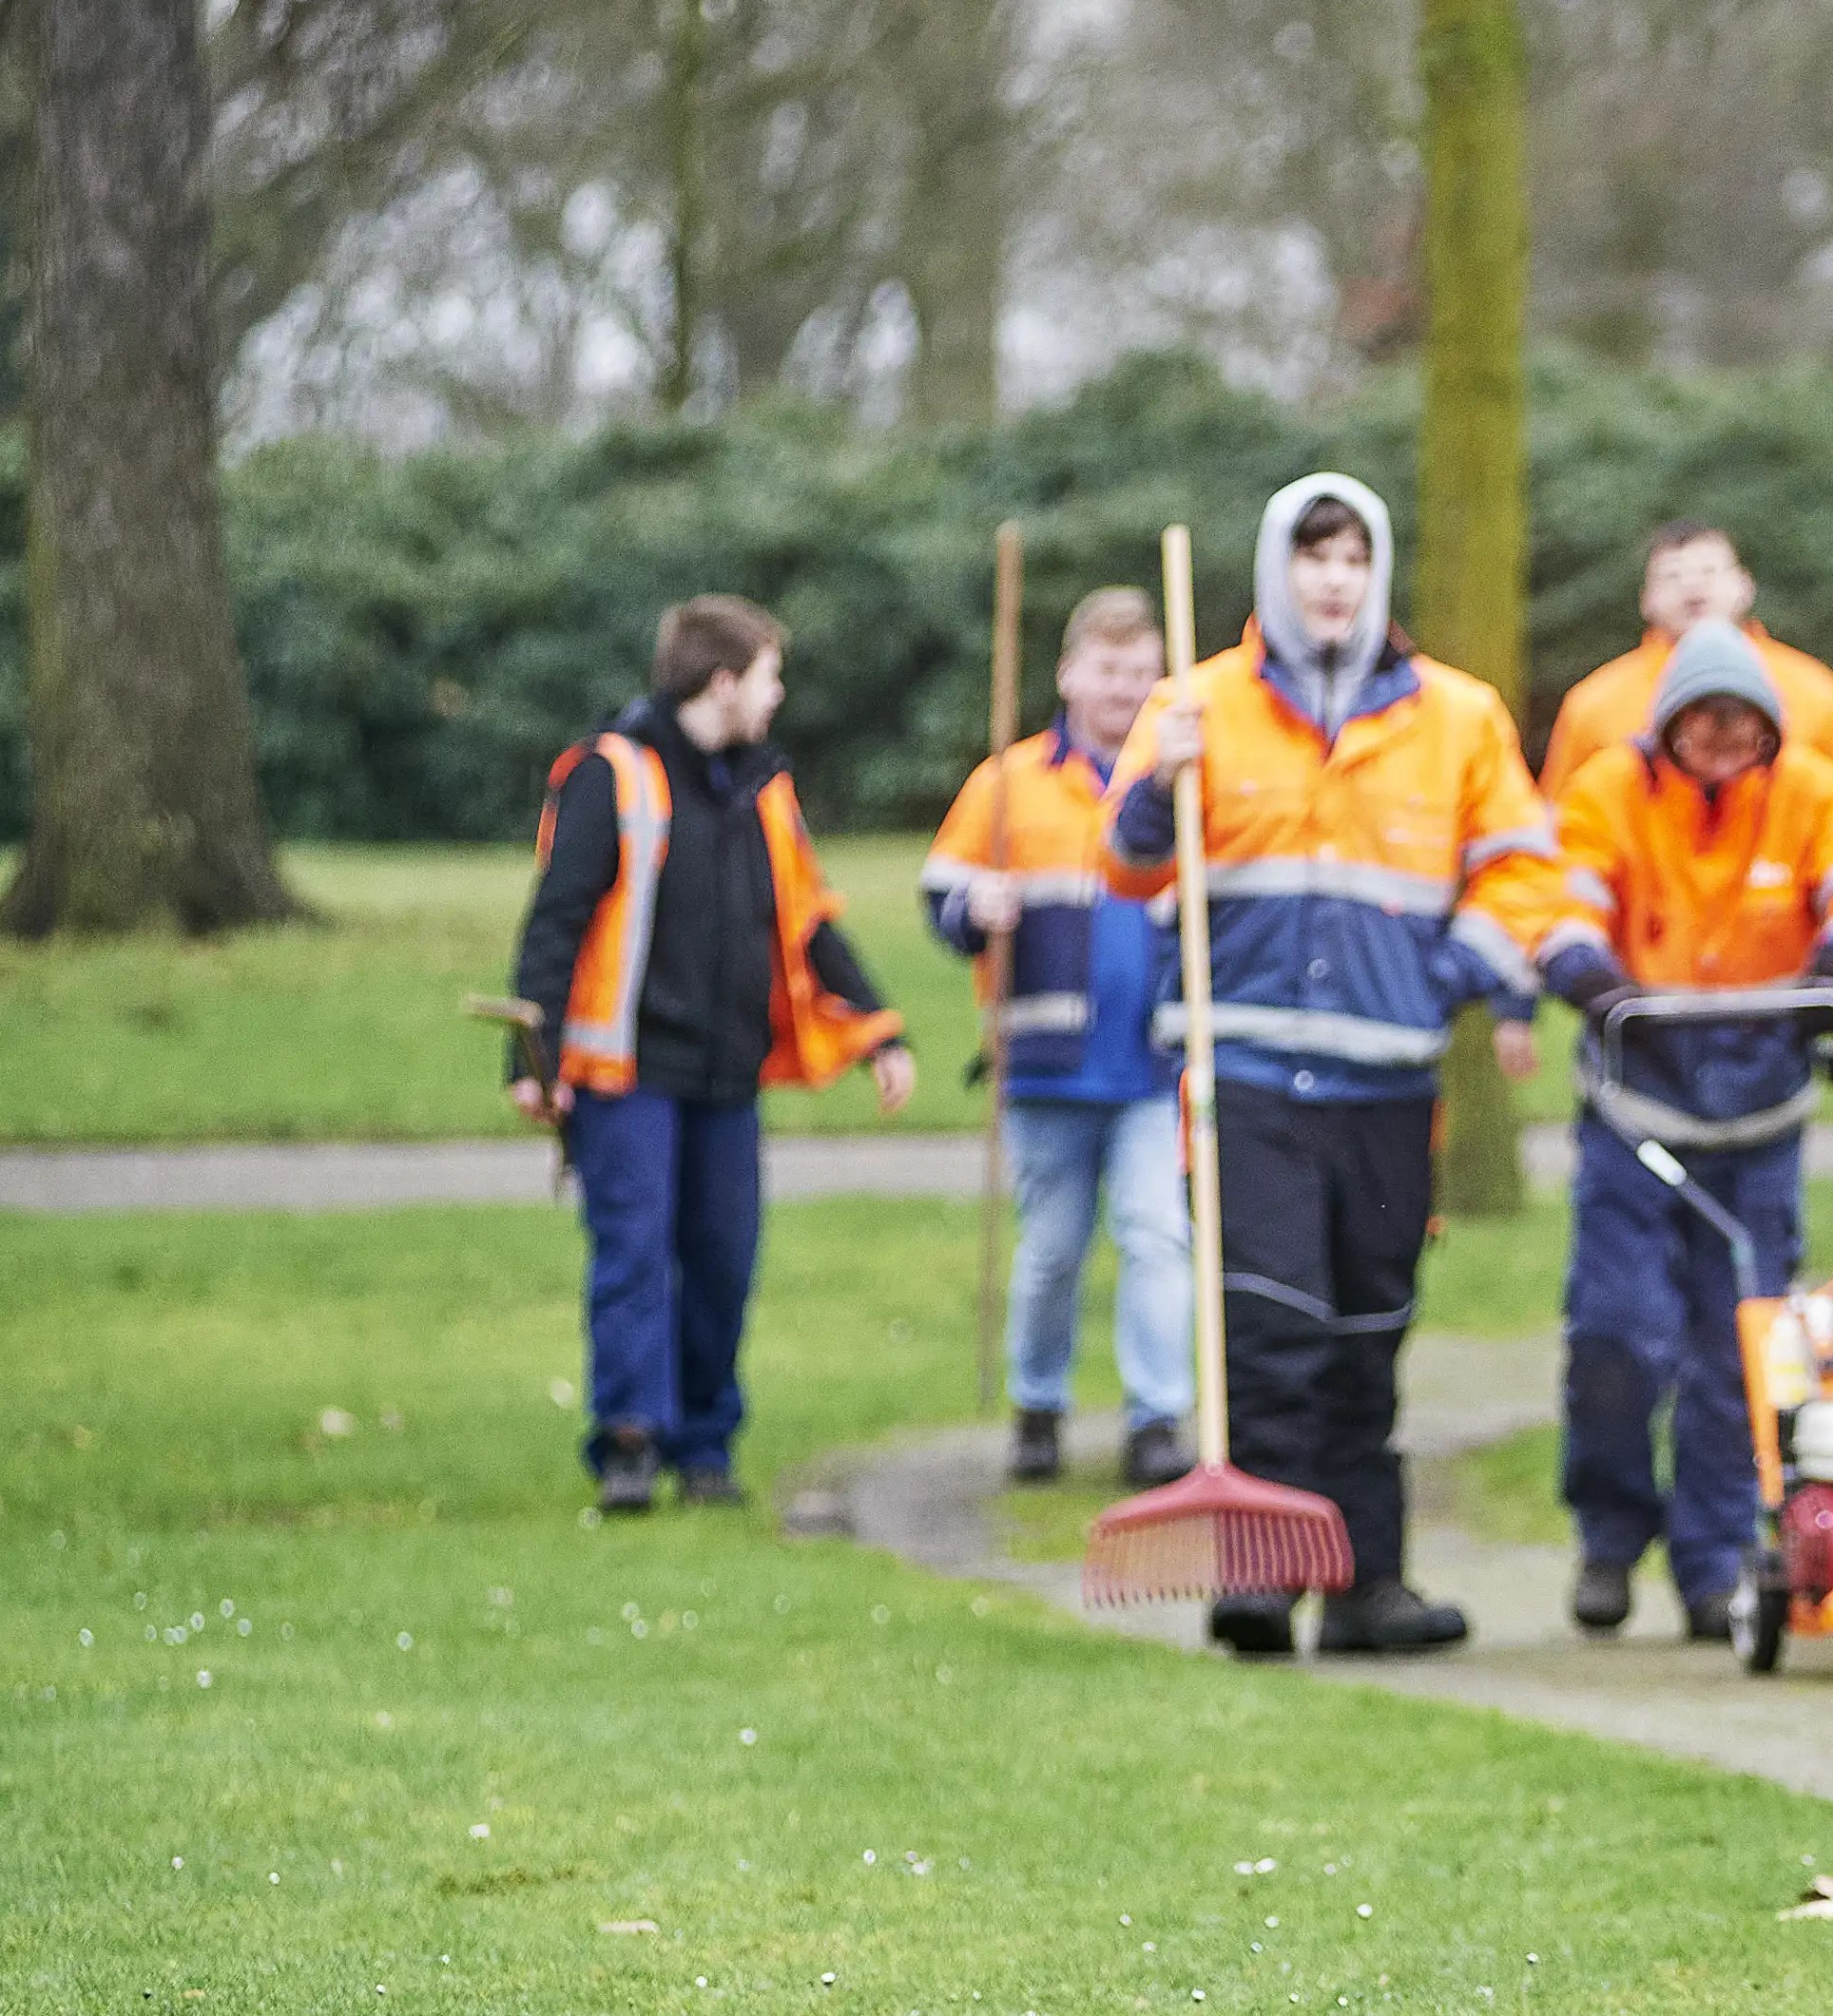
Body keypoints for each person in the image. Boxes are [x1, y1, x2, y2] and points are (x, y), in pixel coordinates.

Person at [1102, 474, 1562, 1660]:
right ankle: (1258, 1578)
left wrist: (1450, 973)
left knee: (1368, 1327)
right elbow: (1127, 863)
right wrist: (1162, 782)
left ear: (1377, 573)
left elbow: (1525, 868)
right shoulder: (1193, 704)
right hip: (1243, 1066)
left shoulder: (1456, 717)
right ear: (1276, 570)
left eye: (1352, 557)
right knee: (1268, 1325)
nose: (1331, 578)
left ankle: (1363, 1585)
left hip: (1386, 1078)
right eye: (1311, 556)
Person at [1535, 619, 1833, 1640]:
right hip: (1638, 1108)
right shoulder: (1609, 794)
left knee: (1737, 1349)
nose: (1719, 739)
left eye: (1740, 725)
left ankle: (1711, 1568)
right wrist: (1593, 981)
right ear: (1665, 728)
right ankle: (1610, 1537)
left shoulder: (1810, 798)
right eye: (1699, 722)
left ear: (1768, 734)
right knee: (1616, 1332)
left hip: (1759, 1115)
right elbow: (1559, 901)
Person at [508, 593, 916, 1512]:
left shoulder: (761, 787)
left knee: (723, 1259)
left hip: (728, 1074)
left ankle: (705, 1445)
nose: (778, 698)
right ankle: (629, 1443)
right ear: (722, 682)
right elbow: (556, 922)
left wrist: (877, 1028)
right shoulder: (610, 775)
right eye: (770, 676)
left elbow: (807, 921)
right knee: (636, 1257)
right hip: (627, 1074)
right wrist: (531, 1060)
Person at [925, 586, 1192, 1492]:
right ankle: (1037, 1406)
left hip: (1155, 1060)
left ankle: (1158, 1419)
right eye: (1107, 669)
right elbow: (941, 891)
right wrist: (974, 908)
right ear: (1068, 673)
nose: (1122, 688)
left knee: (1158, 1237)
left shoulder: (1177, 780)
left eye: (1139, 671)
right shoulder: (1009, 782)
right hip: (1046, 1063)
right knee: (1051, 1253)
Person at [1543, 521, 1833, 1068]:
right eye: (1673, 575)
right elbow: (1558, 861)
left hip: (1774, 984)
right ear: (1646, 599)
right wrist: (1568, 974)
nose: (1693, 588)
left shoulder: (1816, 696)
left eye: (1708, 570)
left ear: (1743, 584)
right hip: (1645, 998)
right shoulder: (1595, 705)